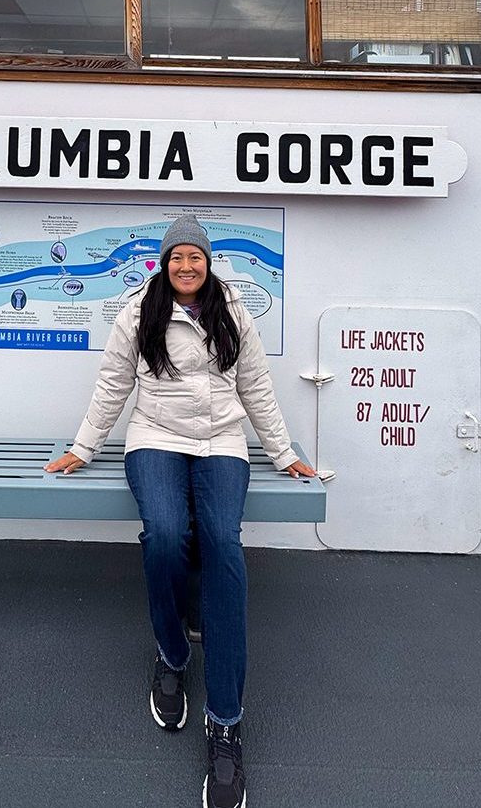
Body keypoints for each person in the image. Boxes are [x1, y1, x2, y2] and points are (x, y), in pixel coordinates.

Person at [45, 214, 316, 808]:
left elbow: (257, 387)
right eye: (176, 258)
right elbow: (114, 383)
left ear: (208, 261)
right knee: (165, 533)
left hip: (221, 440)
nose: (186, 267)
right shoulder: (138, 312)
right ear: (164, 265)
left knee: (222, 544)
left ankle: (225, 724)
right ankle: (171, 654)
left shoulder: (231, 312)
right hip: (156, 437)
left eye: (195, 257)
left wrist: (284, 452)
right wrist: (82, 446)